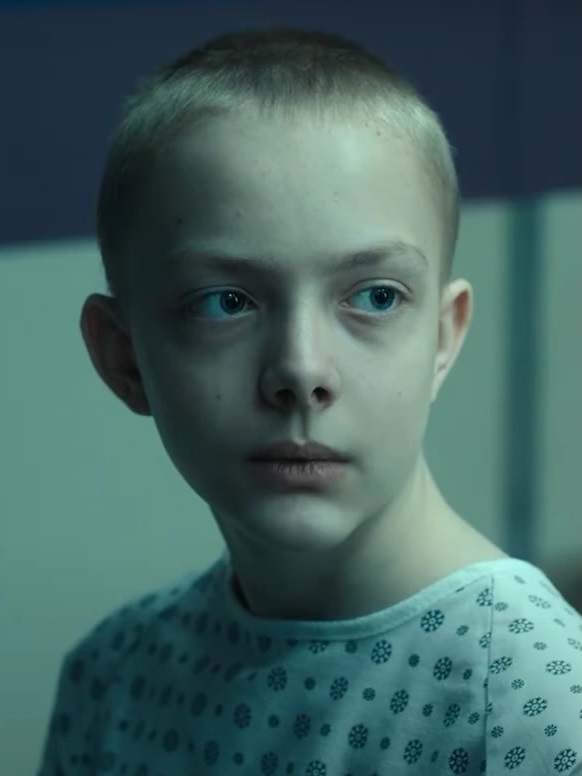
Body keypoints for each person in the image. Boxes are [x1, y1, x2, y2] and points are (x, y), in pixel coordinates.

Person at [37, 25, 582, 776]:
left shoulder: (534, 709)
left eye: (375, 296)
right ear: (124, 358)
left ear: (442, 339)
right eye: (225, 302)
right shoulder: (113, 681)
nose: (300, 370)